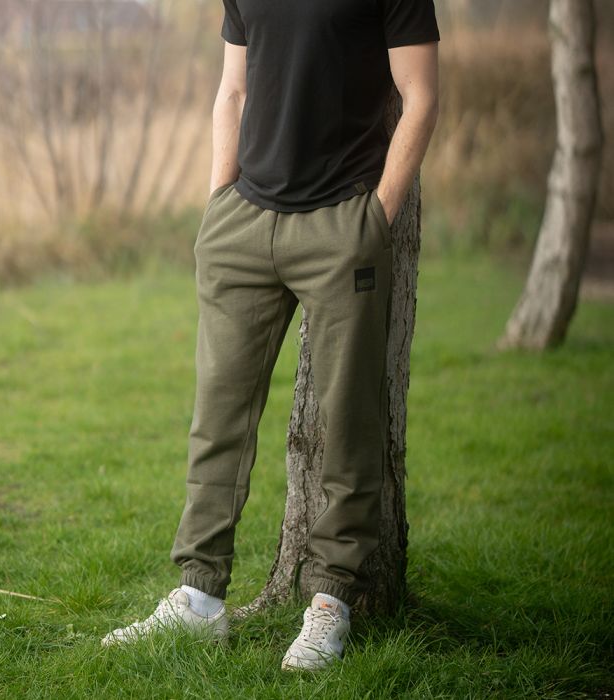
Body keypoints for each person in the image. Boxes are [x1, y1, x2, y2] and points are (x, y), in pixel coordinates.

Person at [102, 0, 440, 671]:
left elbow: (421, 96)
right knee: (217, 418)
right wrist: (218, 201)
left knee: (347, 421)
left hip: (340, 225)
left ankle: (331, 600)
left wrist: (376, 218)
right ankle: (199, 597)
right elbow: (233, 89)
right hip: (243, 222)